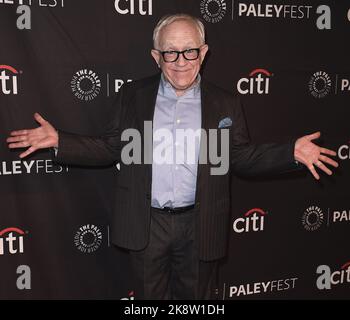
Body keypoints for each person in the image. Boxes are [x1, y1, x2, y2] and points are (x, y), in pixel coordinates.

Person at [6, 14, 338, 300]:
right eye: (170, 53)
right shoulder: (132, 97)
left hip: (200, 221)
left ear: (204, 52)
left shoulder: (225, 103)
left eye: (190, 51)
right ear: (156, 56)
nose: (181, 62)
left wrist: (288, 153)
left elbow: (240, 157)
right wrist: (60, 140)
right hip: (147, 224)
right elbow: (110, 147)